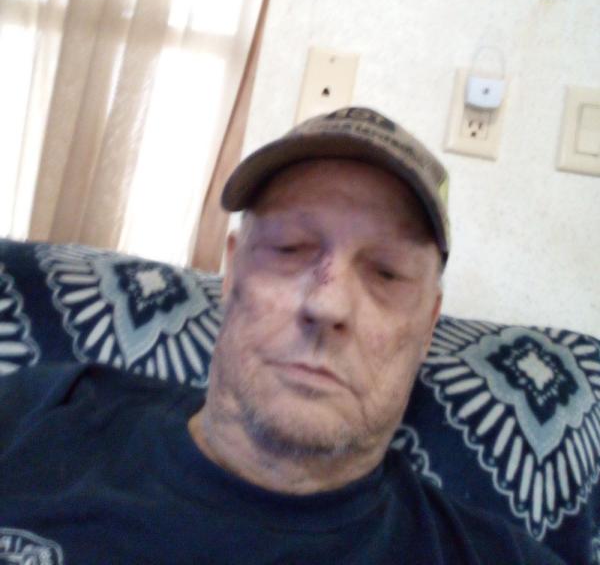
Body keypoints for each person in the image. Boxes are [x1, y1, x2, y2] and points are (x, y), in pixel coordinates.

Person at [0, 107, 566, 564]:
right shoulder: (40, 411)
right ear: (232, 272)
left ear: (428, 324)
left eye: (387, 273)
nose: (326, 303)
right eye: (290, 248)